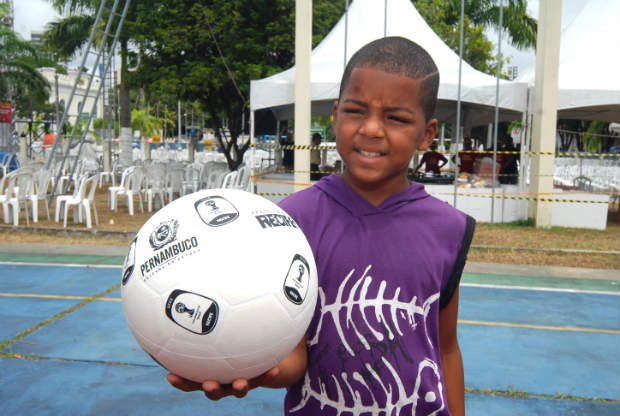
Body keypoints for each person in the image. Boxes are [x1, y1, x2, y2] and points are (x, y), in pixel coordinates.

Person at [167, 36, 475, 416]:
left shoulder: (448, 228)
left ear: (427, 134)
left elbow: (445, 347)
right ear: (334, 115)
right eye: (356, 111)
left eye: (396, 117)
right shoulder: (288, 224)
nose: (372, 129)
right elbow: (296, 357)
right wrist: (255, 369)